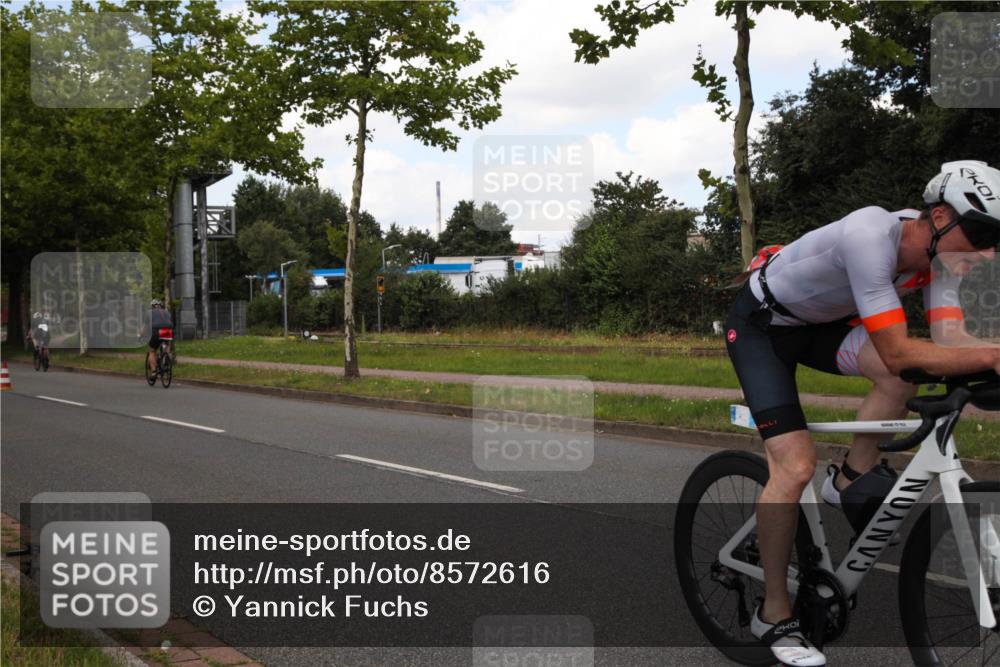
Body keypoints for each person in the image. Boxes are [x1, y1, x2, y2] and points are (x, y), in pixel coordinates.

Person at [724, 160, 1000, 666]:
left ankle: (851, 477)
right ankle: (772, 613)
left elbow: (951, 341)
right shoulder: (870, 234)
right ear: (939, 217)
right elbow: (897, 349)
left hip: (820, 326)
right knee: (794, 465)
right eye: (981, 233)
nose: (988, 252)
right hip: (762, 327)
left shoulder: (940, 260)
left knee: (904, 378)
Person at [146, 299, 174, 374]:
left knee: (152, 351)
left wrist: (140, 335)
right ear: (161, 306)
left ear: (152, 306)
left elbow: (145, 326)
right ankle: (166, 358)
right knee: (166, 345)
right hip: (168, 330)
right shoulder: (166, 312)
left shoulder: (149, 312)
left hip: (156, 330)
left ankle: (154, 372)